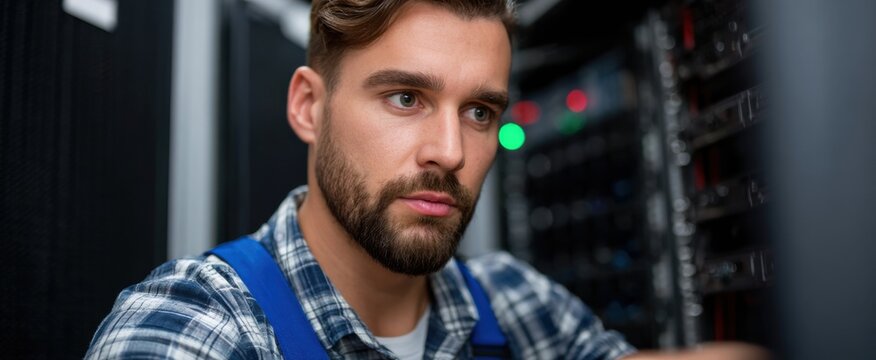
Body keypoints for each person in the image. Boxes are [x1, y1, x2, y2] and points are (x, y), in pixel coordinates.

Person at [86, 1, 767, 359]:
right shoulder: (201, 325)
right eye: (406, 98)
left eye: (479, 112)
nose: (450, 151)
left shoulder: (517, 305)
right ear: (309, 107)